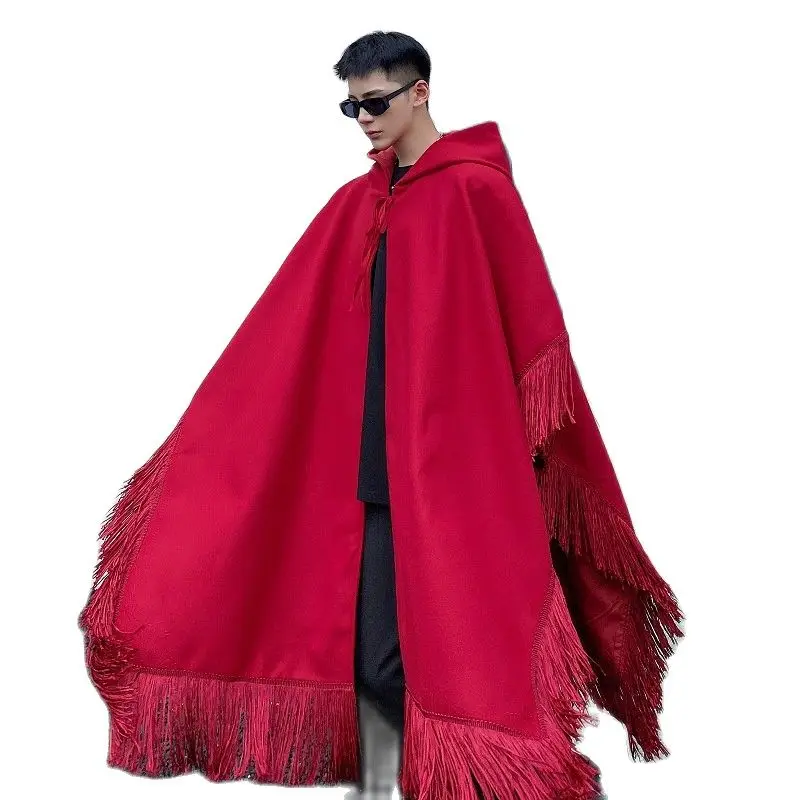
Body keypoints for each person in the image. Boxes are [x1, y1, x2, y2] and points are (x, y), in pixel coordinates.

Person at [77, 29, 681, 800]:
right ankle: (398, 784)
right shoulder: (359, 203)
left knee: (464, 660)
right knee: (372, 662)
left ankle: (510, 782)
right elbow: (290, 331)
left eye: (375, 102)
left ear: (420, 92)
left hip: (454, 478)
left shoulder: (476, 192)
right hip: (366, 475)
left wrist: (519, 452)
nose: (363, 119)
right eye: (351, 106)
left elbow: (534, 339)